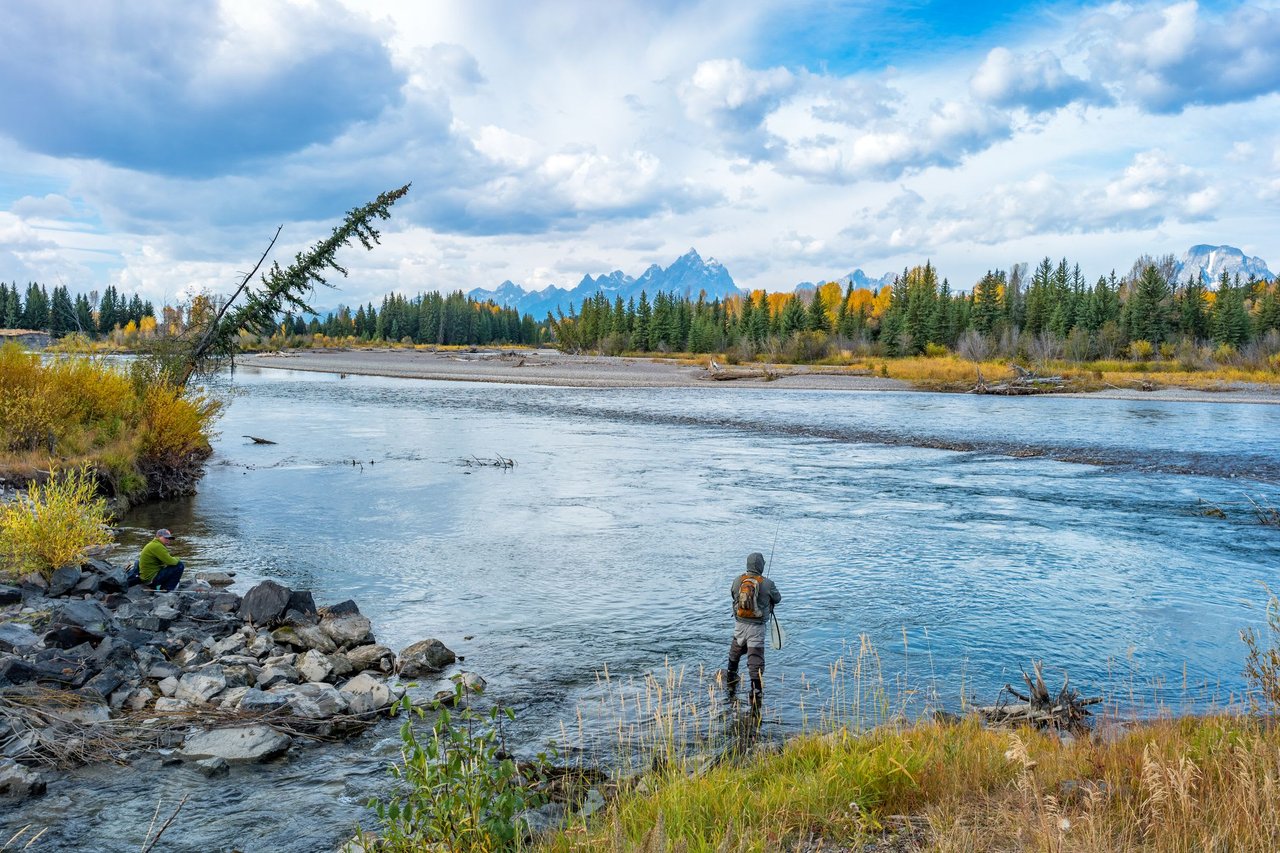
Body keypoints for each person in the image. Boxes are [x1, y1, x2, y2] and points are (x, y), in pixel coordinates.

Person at [726, 551, 781, 707]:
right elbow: (778, 598)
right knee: (755, 657)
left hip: (739, 625)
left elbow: (733, 595)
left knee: (735, 650)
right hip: (757, 627)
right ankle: (756, 691)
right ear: (761, 566)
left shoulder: (738, 580)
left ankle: (730, 679)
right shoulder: (768, 583)